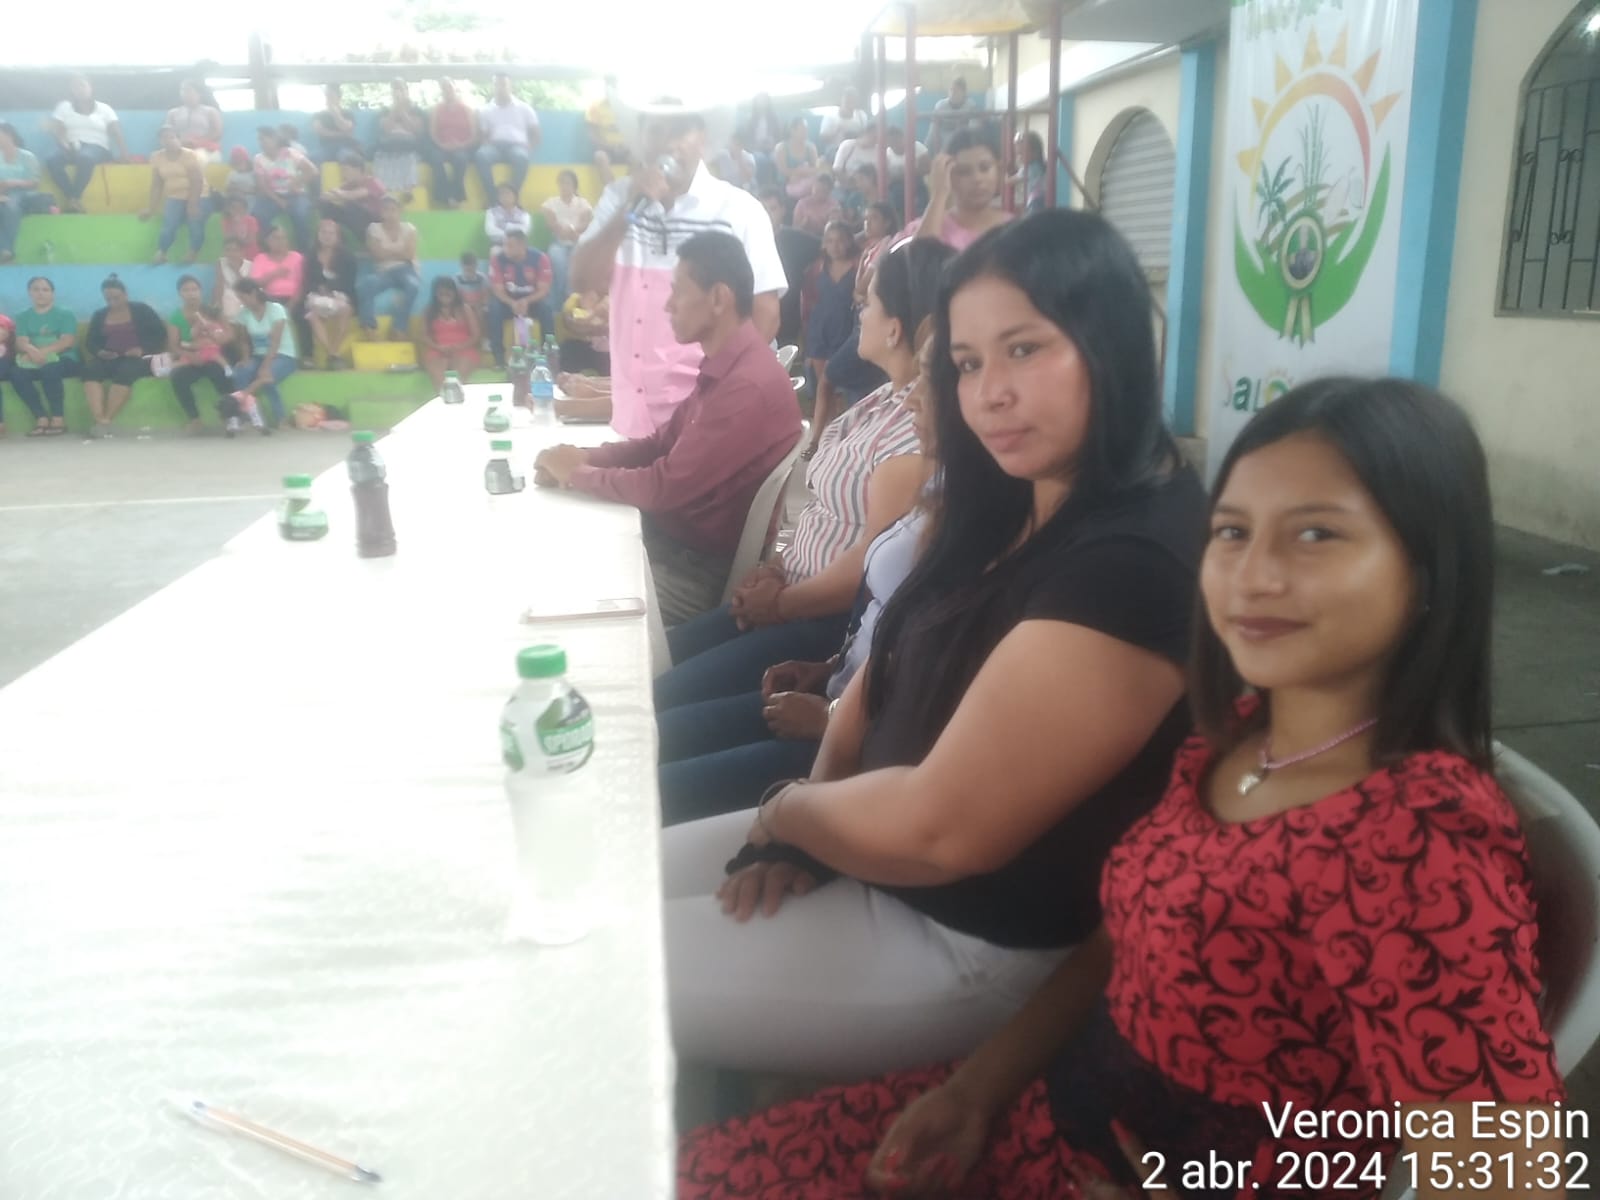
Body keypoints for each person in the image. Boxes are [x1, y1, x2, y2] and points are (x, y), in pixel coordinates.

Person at [675, 378, 1567, 1200]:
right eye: (1232, 531)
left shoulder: (1419, 840)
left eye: (1317, 534)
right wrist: (977, 1089)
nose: (1255, 574)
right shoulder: (1239, 734)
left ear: (1426, 568)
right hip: (1038, 1117)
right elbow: (1121, 944)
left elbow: (1507, 1168)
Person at [661, 210, 1207, 1081]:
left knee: (596, 981)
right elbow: (876, 677)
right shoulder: (1004, 499)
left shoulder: (1135, 560)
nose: (988, 393)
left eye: (1024, 349)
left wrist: (791, 813)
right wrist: (809, 821)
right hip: (864, 834)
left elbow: (942, 832)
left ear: (1110, 343)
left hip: (961, 933)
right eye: (967, 363)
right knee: (603, 897)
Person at [657, 288, 945, 828]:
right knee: (653, 711)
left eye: (869, 301)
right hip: (831, 664)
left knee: (651, 752)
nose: (913, 399)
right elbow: (822, 516)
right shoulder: (885, 408)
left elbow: (878, 598)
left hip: (823, 647)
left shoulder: (929, 466)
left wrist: (832, 712)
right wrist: (777, 570)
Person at [536, 231, 801, 626]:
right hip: (674, 544)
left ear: (718, 298)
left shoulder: (746, 385)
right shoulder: (730, 365)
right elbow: (660, 444)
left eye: (678, 291)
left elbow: (663, 487)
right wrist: (583, 457)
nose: (668, 304)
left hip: (692, 571)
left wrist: (577, 473)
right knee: (561, 543)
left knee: (558, 587)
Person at [570, 106, 786, 438]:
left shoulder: (739, 210)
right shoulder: (618, 199)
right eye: (657, 130)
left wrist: (719, 391)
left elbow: (766, 314)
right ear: (641, 138)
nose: (669, 143)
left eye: (680, 130)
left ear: (703, 138)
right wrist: (627, 211)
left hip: (706, 422)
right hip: (632, 418)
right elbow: (582, 280)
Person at [81, 275, 166, 438]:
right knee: (90, 370)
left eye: (116, 298)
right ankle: (99, 418)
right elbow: (90, 341)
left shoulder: (142, 310)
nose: (113, 302)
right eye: (108, 299)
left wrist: (142, 349)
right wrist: (100, 352)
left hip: (137, 358)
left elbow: (160, 334)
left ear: (125, 294)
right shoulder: (99, 315)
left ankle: (106, 419)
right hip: (109, 357)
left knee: (126, 373)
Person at [802, 221, 860, 453]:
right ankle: (822, 439)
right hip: (820, 331)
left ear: (849, 241)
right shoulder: (816, 268)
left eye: (840, 240)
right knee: (824, 387)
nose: (835, 246)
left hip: (846, 331)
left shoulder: (858, 267)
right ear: (824, 244)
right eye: (830, 241)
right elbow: (807, 304)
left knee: (846, 386)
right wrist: (807, 340)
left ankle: (847, 437)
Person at [909, 128, 1012, 251]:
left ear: (998, 170)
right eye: (964, 172)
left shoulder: (1015, 229)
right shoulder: (932, 227)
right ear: (948, 175)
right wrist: (939, 194)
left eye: (985, 168)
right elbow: (919, 258)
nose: (977, 178)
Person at [46, 76, 127, 212]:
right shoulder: (64, 107)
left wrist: (124, 153)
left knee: (85, 157)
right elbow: (57, 129)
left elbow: (116, 131)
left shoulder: (104, 108)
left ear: (91, 88)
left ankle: (74, 198)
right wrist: (64, 144)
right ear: (72, 90)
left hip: (97, 147)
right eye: (75, 86)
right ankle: (73, 199)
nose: (80, 89)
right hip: (70, 146)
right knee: (52, 160)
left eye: (83, 85)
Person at [9, 277, 77, 436]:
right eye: (36, 289)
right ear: (29, 292)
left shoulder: (65, 314)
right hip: (32, 360)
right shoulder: (22, 316)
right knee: (16, 373)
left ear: (52, 293)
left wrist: (40, 353)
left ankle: (58, 418)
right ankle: (40, 417)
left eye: (45, 290)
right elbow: (21, 341)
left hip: (63, 358)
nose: (40, 293)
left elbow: (66, 342)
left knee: (50, 370)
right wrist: (30, 351)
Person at [166, 275, 233, 432]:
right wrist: (190, 355)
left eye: (194, 289)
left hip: (213, 354)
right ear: (180, 294)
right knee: (178, 377)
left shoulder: (212, 311)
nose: (191, 294)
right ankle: (195, 419)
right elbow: (174, 345)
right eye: (186, 290)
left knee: (219, 371)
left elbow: (230, 333)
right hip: (191, 357)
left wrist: (218, 339)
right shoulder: (175, 317)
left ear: (201, 291)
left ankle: (230, 415)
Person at [231, 278, 296, 431]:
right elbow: (244, 340)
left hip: (283, 354)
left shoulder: (276, 309)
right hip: (258, 355)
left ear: (253, 293)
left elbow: (275, 342)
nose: (241, 301)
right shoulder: (244, 313)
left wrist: (266, 367)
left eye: (242, 297)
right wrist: (245, 358)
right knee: (241, 372)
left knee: (268, 379)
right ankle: (248, 415)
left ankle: (281, 418)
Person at [486, 227, 553, 366]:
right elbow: (497, 290)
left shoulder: (540, 258)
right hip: (508, 302)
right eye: (504, 245)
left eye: (510, 246)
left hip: (532, 302)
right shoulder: (497, 259)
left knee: (546, 308)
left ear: (522, 245)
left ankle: (548, 354)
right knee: (494, 309)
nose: (505, 249)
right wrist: (512, 303)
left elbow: (543, 290)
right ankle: (498, 356)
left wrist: (526, 301)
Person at [142, 126, 208, 265]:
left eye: (172, 137)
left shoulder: (189, 155)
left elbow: (197, 181)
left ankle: (193, 251)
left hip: (198, 193)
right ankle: (162, 252)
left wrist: (192, 204)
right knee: (169, 225)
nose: (168, 140)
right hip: (175, 196)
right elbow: (157, 185)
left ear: (179, 139)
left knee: (195, 223)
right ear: (160, 141)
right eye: (164, 138)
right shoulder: (156, 157)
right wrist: (151, 208)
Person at [358, 196, 421, 341]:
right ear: (381, 212)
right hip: (384, 272)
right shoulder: (374, 228)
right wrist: (399, 253)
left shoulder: (409, 228)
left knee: (413, 286)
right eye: (386, 210)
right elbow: (377, 255)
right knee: (366, 284)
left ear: (399, 211)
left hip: (406, 269)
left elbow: (409, 254)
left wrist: (387, 252)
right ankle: (369, 327)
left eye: (393, 210)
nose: (390, 213)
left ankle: (399, 328)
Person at [475, 74, 541, 200]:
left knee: (522, 157)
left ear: (510, 86)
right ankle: (494, 199)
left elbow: (536, 134)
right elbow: (483, 135)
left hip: (517, 146)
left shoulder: (525, 108)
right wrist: (485, 143)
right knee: (481, 155)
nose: (500, 88)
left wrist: (529, 147)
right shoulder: (486, 110)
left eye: (503, 84)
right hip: (494, 147)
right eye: (496, 85)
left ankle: (510, 198)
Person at [252, 127, 317, 251]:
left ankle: (304, 252)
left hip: (296, 194)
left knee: (300, 215)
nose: (261, 143)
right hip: (271, 196)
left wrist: (297, 182)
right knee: (257, 215)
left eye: (264, 139)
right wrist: (278, 200)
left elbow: (312, 170)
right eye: (259, 140)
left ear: (275, 139)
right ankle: (267, 250)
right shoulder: (258, 159)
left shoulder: (290, 153)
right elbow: (262, 186)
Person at [304, 218, 357, 368]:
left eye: (331, 233)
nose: (327, 236)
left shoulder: (347, 256)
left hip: (340, 294)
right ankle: (332, 353)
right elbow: (309, 281)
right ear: (318, 235)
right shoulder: (311, 255)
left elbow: (349, 281)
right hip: (317, 296)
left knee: (346, 310)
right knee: (312, 315)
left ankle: (333, 352)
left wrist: (332, 290)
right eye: (324, 232)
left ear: (337, 236)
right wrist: (320, 290)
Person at [540, 169, 593, 310]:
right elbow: (551, 223)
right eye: (561, 182)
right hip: (559, 241)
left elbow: (585, 223)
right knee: (557, 260)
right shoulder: (551, 202)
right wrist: (563, 231)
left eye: (568, 183)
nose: (564, 186)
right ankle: (564, 298)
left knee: (575, 262)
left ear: (574, 186)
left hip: (578, 241)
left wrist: (572, 230)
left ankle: (570, 298)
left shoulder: (583, 203)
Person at [419, 275, 482, 389]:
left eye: (448, 291)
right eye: (441, 292)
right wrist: (438, 347)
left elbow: (476, 335)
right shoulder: (428, 310)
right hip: (437, 349)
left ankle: (456, 398)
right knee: (440, 381)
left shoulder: (465, 309)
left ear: (455, 293)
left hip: (464, 349)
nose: (445, 294)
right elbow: (424, 336)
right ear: (435, 294)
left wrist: (459, 347)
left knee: (457, 381)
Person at [428, 78, 477, 208]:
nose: (447, 90)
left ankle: (456, 196)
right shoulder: (436, 109)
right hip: (442, 146)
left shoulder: (467, 109)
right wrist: (441, 145)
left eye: (449, 87)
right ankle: (444, 196)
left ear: (455, 88)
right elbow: (432, 133)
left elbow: (474, 135)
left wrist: (461, 145)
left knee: (461, 159)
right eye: (444, 88)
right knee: (435, 158)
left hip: (462, 146)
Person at [0, 123, 45, 264]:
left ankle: (7, 250)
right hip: (1, 193)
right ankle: (6, 252)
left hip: (23, 193)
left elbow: (35, 182)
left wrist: (12, 183)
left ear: (9, 135)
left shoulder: (27, 156)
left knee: (10, 206)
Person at [319, 152, 386, 246]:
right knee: (326, 206)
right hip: (358, 222)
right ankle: (336, 242)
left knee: (350, 206)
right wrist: (334, 193)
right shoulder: (350, 184)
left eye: (345, 170)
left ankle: (369, 244)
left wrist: (336, 192)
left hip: (375, 224)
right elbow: (324, 196)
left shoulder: (373, 182)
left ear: (357, 170)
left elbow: (351, 195)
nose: (343, 174)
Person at [374, 79, 425, 196]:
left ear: (407, 91)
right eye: (394, 89)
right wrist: (394, 109)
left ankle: (408, 188)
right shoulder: (385, 111)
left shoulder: (416, 110)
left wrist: (402, 111)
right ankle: (384, 189)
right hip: (389, 144)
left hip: (409, 145)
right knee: (381, 154)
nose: (397, 92)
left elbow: (415, 129)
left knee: (409, 155)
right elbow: (386, 129)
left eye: (400, 89)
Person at [250, 225, 305, 324]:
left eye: (283, 238)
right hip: (270, 299)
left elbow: (303, 284)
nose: (280, 241)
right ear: (267, 241)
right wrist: (274, 274)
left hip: (295, 299)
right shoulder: (260, 258)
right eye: (276, 238)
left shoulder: (297, 257)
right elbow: (255, 284)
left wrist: (291, 305)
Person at [165, 80, 223, 159]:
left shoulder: (210, 111)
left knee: (195, 157)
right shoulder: (173, 113)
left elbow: (217, 132)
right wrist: (180, 142)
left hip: (206, 150)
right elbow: (167, 133)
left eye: (188, 90)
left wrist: (198, 142)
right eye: (182, 90)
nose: (184, 93)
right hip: (180, 148)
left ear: (199, 93)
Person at [558, 290, 610, 376]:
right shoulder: (574, 299)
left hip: (604, 348)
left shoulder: (610, 300)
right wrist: (594, 315)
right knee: (570, 347)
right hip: (577, 344)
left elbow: (609, 328)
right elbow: (572, 325)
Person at [930, 75, 981, 155]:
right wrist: (936, 150)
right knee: (930, 137)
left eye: (956, 91)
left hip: (963, 136)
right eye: (951, 90)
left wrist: (963, 130)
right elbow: (934, 128)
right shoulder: (940, 105)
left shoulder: (971, 105)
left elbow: (974, 128)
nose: (952, 93)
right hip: (944, 135)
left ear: (964, 92)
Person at [311, 85, 361, 163]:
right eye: (326, 95)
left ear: (339, 97)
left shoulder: (347, 113)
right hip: (326, 147)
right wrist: (343, 134)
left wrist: (336, 114)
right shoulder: (319, 115)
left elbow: (347, 128)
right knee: (314, 158)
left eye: (331, 95)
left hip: (345, 146)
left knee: (348, 158)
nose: (328, 98)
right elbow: (320, 131)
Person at [774, 117, 820, 201]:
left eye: (806, 129)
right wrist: (799, 172)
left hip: (807, 183)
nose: (806, 132)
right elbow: (783, 171)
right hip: (786, 184)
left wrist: (800, 174)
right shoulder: (781, 148)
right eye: (802, 129)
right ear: (792, 130)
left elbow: (816, 169)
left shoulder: (810, 147)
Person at [741, 93, 782, 184]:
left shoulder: (774, 118)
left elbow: (779, 137)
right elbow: (746, 140)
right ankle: (762, 186)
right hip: (755, 149)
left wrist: (773, 144)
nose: (762, 104)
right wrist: (756, 146)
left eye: (764, 101)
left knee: (775, 158)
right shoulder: (750, 119)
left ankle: (776, 185)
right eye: (760, 101)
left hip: (772, 148)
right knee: (760, 159)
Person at [819, 86, 868, 158]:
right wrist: (837, 130)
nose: (850, 102)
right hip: (836, 149)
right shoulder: (831, 115)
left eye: (853, 100)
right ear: (842, 99)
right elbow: (823, 138)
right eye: (848, 99)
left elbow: (866, 136)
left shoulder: (861, 116)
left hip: (856, 148)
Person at [214, 235, 253, 323]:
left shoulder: (249, 265)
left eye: (235, 250)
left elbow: (247, 288)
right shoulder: (220, 262)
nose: (231, 253)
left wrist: (235, 270)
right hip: (227, 296)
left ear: (242, 251)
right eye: (228, 250)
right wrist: (219, 306)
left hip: (243, 296)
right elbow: (219, 285)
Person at [483, 181, 532, 250]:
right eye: (501, 194)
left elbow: (525, 231)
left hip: (519, 245)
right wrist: (513, 232)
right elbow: (490, 231)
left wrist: (505, 226)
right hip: (499, 244)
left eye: (508, 193)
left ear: (515, 196)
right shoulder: (491, 212)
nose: (505, 196)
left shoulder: (524, 214)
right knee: (495, 251)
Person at [791, 172, 842, 237]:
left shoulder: (834, 205)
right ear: (812, 187)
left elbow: (838, 230)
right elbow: (794, 229)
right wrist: (803, 224)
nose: (818, 193)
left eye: (823, 191)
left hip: (826, 239)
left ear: (829, 192)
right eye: (817, 189)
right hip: (804, 238)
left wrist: (829, 223)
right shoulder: (802, 204)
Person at [1012, 129, 1047, 214]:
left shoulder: (1027, 169)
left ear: (1035, 152)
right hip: (1044, 197)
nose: (1019, 158)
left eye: (1021, 154)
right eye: (1018, 154)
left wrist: (1005, 176)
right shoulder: (1041, 164)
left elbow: (1011, 181)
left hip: (1035, 199)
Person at [219, 192, 260, 257]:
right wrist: (235, 223)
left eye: (240, 208)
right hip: (233, 254)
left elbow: (251, 240)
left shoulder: (251, 220)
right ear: (228, 209)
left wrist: (239, 224)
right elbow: (229, 240)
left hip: (250, 254)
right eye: (233, 207)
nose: (237, 210)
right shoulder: (226, 221)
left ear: (245, 209)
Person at [455, 251, 488, 326]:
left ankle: (481, 331)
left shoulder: (482, 278)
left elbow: (485, 295)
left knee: (481, 312)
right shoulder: (457, 279)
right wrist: (465, 305)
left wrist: (482, 304)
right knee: (460, 312)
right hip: (464, 305)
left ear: (476, 266)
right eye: (467, 270)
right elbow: (457, 297)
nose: (469, 273)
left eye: (471, 270)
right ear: (461, 266)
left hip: (478, 305)